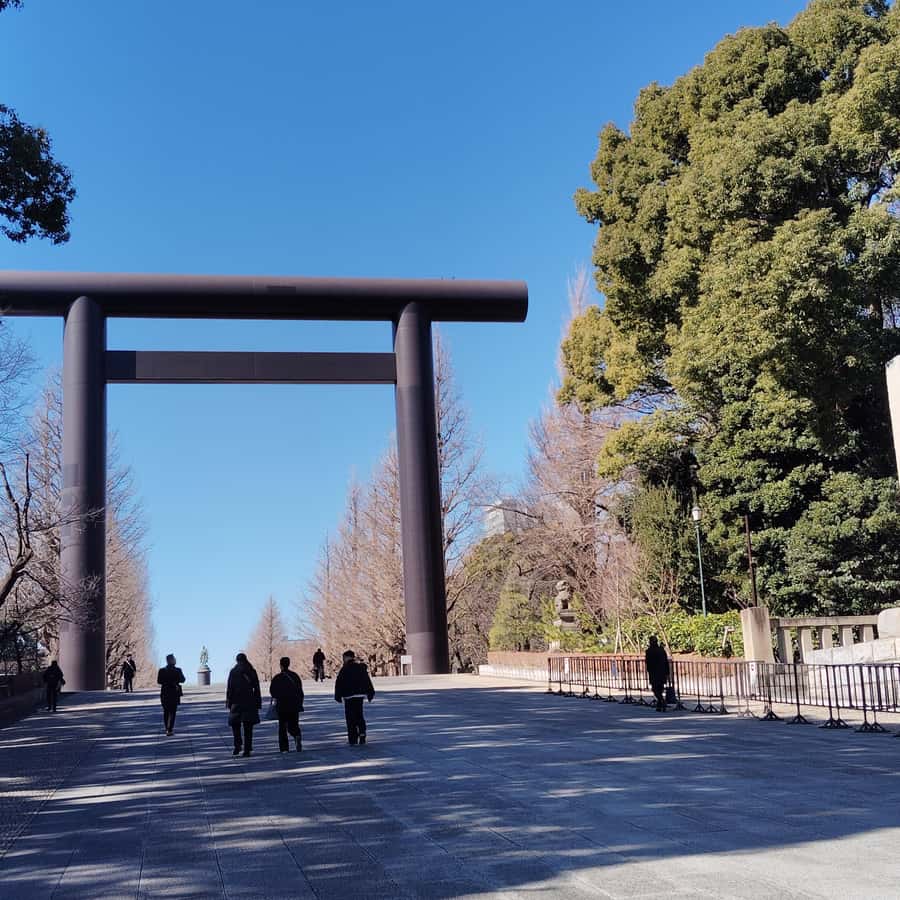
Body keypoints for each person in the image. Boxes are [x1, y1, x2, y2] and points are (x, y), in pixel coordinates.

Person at [334, 650, 374, 745]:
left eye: (344, 658)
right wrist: (370, 692)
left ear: (347, 657)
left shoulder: (344, 669)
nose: (343, 660)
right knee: (359, 715)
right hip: (359, 695)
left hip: (349, 696)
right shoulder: (360, 667)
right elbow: (367, 680)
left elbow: (339, 683)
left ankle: (353, 738)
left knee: (350, 718)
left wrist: (338, 695)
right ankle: (362, 733)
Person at [226, 652, 261, 757]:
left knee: (235, 725)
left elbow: (229, 688)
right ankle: (247, 749)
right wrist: (258, 702)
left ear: (237, 661)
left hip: (236, 702)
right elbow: (256, 688)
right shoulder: (251, 671)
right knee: (248, 727)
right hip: (249, 701)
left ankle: (237, 745)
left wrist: (229, 702)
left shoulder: (233, 672)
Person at [269, 656, 304, 752]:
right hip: (294, 705)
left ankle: (284, 748)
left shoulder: (277, 678)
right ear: (289, 664)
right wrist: (300, 703)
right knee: (294, 724)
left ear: (280, 665)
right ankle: (296, 735)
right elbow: (300, 691)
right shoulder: (295, 676)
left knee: (282, 727)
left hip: (282, 705)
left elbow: (272, 692)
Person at [157, 654, 186, 735]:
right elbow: (183, 680)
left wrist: (167, 681)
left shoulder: (162, 670)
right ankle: (170, 729)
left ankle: (167, 728)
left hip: (165, 692)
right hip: (174, 692)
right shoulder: (178, 670)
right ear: (172, 660)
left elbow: (159, 681)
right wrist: (175, 680)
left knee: (166, 711)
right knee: (173, 712)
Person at [645, 636, 670, 712]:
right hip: (662, 672)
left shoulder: (649, 651)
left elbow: (648, 663)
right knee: (660, 688)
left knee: (655, 689)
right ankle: (659, 705)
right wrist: (667, 672)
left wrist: (648, 670)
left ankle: (661, 700)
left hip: (654, 673)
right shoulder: (661, 650)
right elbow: (666, 661)